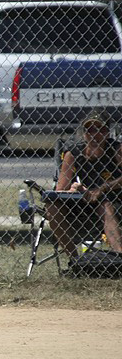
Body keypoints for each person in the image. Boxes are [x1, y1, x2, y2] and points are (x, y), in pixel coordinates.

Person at [46, 108, 122, 261]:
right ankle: (75, 261)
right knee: (52, 206)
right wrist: (75, 189)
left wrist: (101, 190)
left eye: (99, 129)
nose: (94, 135)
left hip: (114, 200)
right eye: (89, 130)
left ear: (107, 132)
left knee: (105, 205)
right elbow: (61, 189)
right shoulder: (74, 153)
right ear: (83, 133)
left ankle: (119, 259)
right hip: (83, 202)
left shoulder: (116, 150)